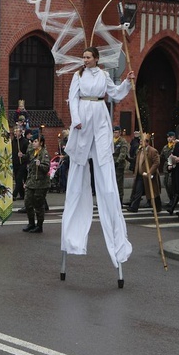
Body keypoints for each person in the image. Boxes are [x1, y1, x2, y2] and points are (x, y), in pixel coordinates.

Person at [60, 47, 135, 270]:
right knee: (79, 163)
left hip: (100, 116)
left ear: (96, 59)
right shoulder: (78, 76)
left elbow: (116, 93)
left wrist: (128, 82)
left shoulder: (102, 75)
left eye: (88, 57)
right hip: (84, 114)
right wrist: (76, 120)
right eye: (83, 57)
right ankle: (72, 238)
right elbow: (73, 99)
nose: (84, 60)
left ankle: (117, 240)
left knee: (104, 162)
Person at [22, 134, 50, 233]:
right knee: (28, 203)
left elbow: (46, 168)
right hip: (31, 182)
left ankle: (39, 225)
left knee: (38, 205)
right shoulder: (32, 152)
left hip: (40, 183)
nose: (33, 143)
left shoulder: (44, 153)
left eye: (35, 141)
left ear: (41, 143)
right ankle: (31, 223)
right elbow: (29, 165)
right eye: (33, 141)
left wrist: (40, 165)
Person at [126, 134, 161, 213]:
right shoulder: (140, 150)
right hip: (140, 175)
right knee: (138, 191)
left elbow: (156, 163)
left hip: (149, 175)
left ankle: (158, 207)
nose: (141, 143)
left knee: (154, 192)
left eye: (142, 141)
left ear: (147, 142)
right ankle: (134, 207)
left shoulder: (153, 151)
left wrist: (150, 171)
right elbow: (136, 161)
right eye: (140, 141)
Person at [11, 125, 29, 201]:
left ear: (21, 132)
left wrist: (23, 155)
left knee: (19, 178)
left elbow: (28, 154)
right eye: (14, 131)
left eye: (17, 131)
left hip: (23, 163)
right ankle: (22, 194)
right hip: (15, 163)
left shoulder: (25, 142)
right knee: (18, 178)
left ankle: (14, 194)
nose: (15, 132)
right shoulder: (13, 141)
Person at [112, 126, 129, 204]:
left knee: (119, 183)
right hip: (111, 163)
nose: (115, 134)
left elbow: (123, 153)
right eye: (114, 132)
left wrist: (118, 161)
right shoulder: (111, 140)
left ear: (120, 133)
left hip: (119, 165)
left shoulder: (122, 141)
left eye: (117, 132)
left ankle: (120, 198)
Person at [160, 131, 177, 206]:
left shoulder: (176, 146)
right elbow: (162, 156)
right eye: (168, 137)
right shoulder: (165, 147)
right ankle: (171, 198)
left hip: (174, 166)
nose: (169, 139)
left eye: (170, 137)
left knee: (171, 184)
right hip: (166, 167)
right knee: (166, 183)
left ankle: (174, 198)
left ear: (174, 137)